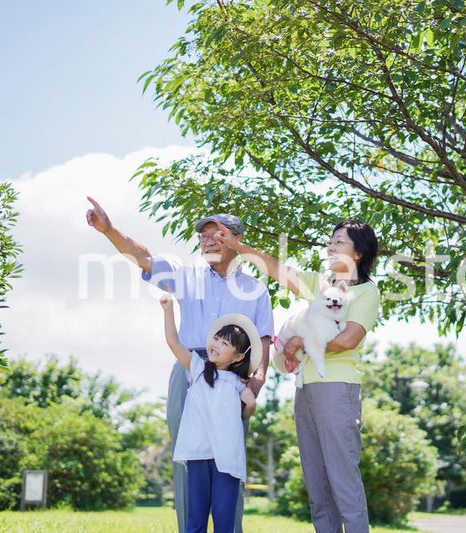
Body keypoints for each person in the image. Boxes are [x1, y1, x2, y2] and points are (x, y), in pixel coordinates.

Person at [86, 197, 274, 533]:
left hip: (233, 377)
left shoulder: (255, 289)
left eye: (218, 234)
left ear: (236, 240)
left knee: (229, 461)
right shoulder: (185, 275)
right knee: (188, 458)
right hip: (189, 368)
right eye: (204, 235)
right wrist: (109, 230)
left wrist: (257, 379)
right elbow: (142, 256)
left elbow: (262, 339)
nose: (208, 239)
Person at [216, 219, 380, 533]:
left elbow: (348, 339)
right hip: (306, 387)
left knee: (342, 478)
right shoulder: (324, 284)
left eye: (340, 242)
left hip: (337, 389)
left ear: (358, 253)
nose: (331, 247)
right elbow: (278, 270)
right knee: (316, 483)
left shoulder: (365, 293)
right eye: (331, 241)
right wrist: (238, 247)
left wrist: (301, 342)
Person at [160, 295, 258, 533]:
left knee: (224, 519)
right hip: (198, 454)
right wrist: (169, 311)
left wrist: (248, 403)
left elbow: (250, 407)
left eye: (225, 343)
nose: (216, 344)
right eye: (216, 338)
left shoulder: (236, 383)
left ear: (238, 357)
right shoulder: (197, 368)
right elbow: (174, 343)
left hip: (226, 459)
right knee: (196, 517)